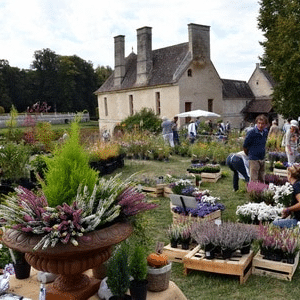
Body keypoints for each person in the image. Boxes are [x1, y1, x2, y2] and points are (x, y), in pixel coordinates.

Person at [273, 164, 300, 228]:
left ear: (290, 175)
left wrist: (288, 209)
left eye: (287, 174)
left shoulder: (296, 186)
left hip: (298, 221)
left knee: (274, 224)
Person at [243, 114, 269, 182]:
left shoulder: (265, 132)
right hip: (253, 158)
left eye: (262, 124)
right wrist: (250, 155)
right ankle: (253, 192)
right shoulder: (251, 132)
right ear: (256, 123)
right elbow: (245, 146)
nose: (260, 125)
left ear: (265, 125)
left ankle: (261, 192)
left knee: (262, 177)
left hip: (262, 157)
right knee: (254, 179)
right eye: (259, 123)